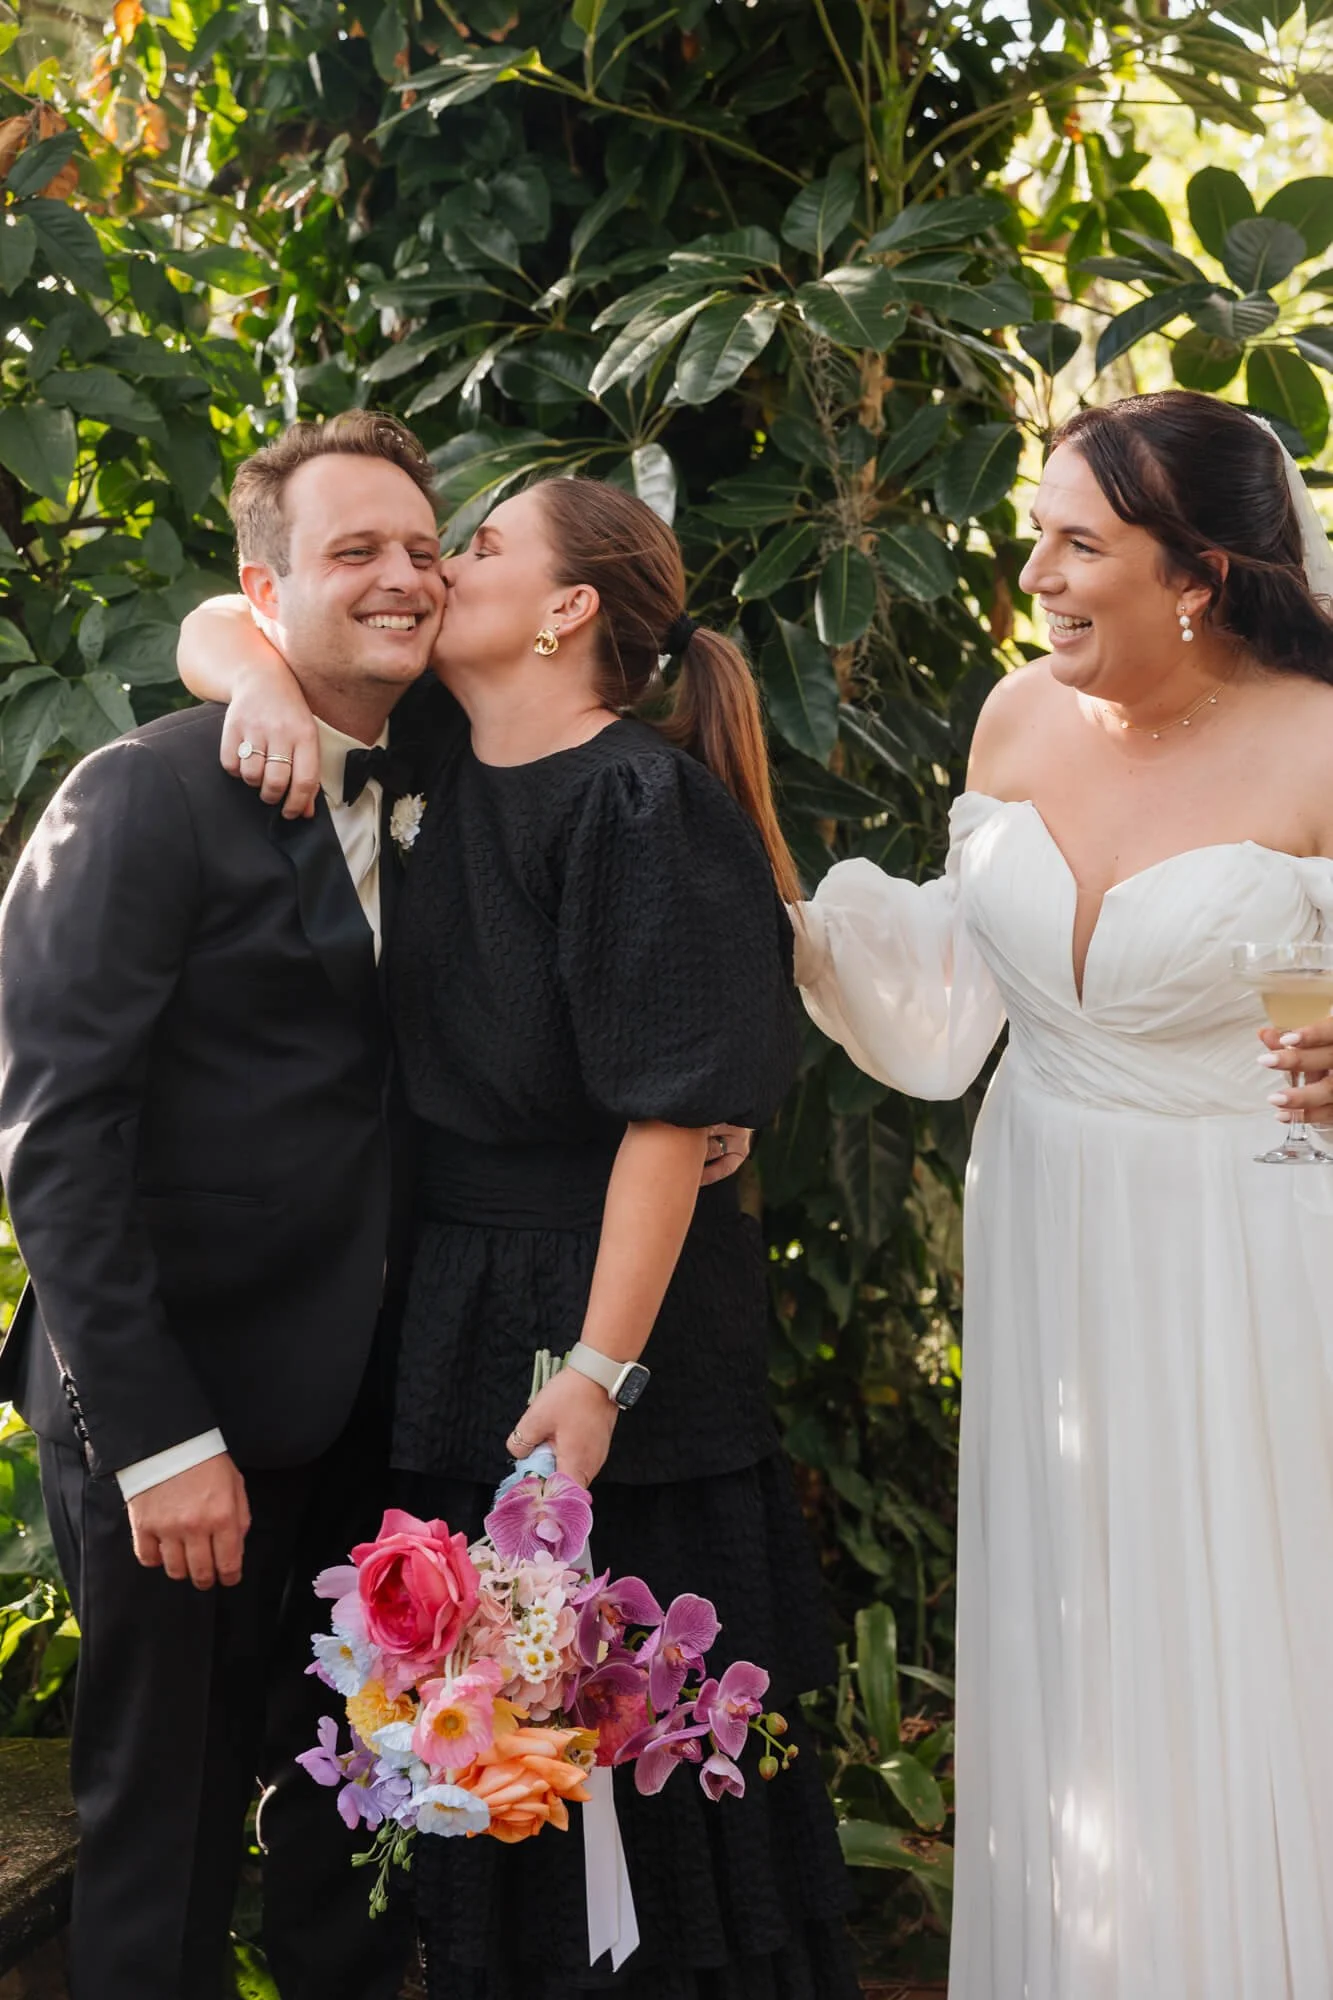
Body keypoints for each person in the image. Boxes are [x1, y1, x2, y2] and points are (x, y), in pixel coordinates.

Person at [179, 474, 858, 2000]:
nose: (435, 573)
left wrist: (600, 1374)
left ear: (566, 611)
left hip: (613, 1337)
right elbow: (218, 617)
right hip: (453, 1319)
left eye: (474, 549)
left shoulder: (643, 800)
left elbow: (669, 1124)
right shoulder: (426, 750)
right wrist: (259, 689)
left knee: (636, 1773)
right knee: (481, 1779)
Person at [792, 388, 1333, 2000]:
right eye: (1038, 534)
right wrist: (778, 915)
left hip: (1259, 1250)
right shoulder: (1018, 720)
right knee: (1090, 1653)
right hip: (1056, 1243)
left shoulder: (1322, 738)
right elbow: (960, 999)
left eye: (1076, 542)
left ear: (1201, 575)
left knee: (1260, 1648)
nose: (1035, 572)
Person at [0, 411, 447, 2000]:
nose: (402, 579)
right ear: (268, 592)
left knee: (366, 1813)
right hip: (182, 1414)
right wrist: (158, 1439)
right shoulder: (138, 798)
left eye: (420, 547)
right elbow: (56, 1139)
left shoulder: (448, 763)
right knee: (164, 1828)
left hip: (383, 1415)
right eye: (354, 553)